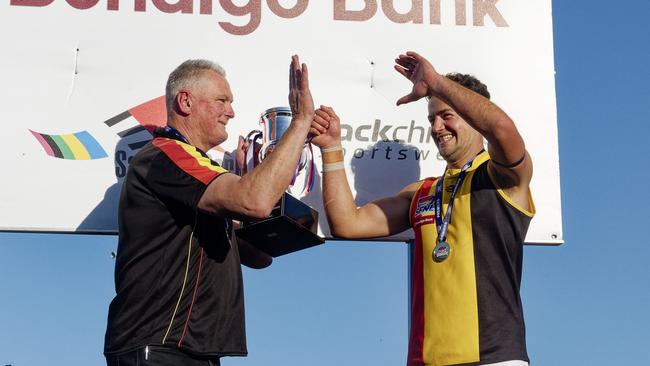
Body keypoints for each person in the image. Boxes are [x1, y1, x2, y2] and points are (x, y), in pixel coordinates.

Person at [310, 51, 535, 366]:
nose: (438, 127)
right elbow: (349, 223)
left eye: (447, 115)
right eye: (432, 118)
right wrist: (332, 148)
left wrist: (437, 83)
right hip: (423, 360)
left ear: (472, 116)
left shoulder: (502, 178)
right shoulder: (423, 192)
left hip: (494, 357)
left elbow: (501, 128)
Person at [104, 55, 315, 365]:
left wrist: (276, 222)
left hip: (193, 349)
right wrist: (299, 123)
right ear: (186, 102)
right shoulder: (167, 154)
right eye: (222, 100)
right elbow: (254, 201)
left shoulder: (197, 169)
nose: (231, 112)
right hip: (159, 344)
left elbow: (258, 257)